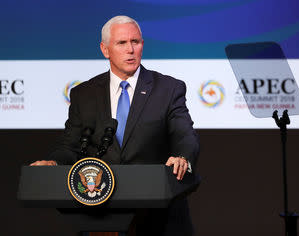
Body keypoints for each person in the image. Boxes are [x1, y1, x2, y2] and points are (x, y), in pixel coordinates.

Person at [31, 15, 199, 235]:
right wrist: (54, 162)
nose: (130, 49)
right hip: (102, 214)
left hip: (159, 216)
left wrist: (183, 157)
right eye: (122, 43)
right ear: (105, 49)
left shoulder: (168, 89)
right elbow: (70, 146)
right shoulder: (84, 94)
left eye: (135, 42)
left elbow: (185, 135)